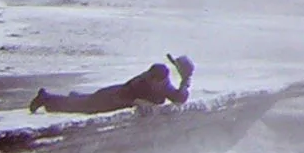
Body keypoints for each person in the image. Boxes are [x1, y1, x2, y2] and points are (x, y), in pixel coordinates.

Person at [29, 54, 195, 114]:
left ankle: (57, 98)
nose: (153, 83)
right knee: (82, 106)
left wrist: (186, 80)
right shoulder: (141, 83)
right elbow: (126, 97)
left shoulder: (163, 85)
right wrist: (137, 102)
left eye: (156, 82)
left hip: (115, 99)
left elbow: (179, 98)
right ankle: (45, 98)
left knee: (81, 102)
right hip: (111, 96)